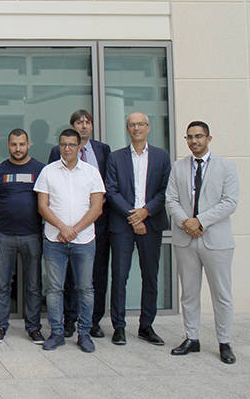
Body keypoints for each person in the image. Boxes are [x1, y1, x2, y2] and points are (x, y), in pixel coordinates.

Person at [166, 121, 239, 364]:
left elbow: (230, 202)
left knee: (222, 294)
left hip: (215, 240)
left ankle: (225, 342)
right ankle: (192, 338)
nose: (194, 141)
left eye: (198, 136)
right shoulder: (178, 167)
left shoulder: (226, 167)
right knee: (189, 292)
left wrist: (200, 221)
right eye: (189, 137)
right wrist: (187, 222)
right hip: (185, 238)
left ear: (209, 138)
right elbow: (171, 199)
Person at [35, 129, 105, 353]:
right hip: (54, 239)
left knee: (85, 288)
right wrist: (63, 228)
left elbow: (97, 207)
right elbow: (42, 206)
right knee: (55, 289)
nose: (67, 149)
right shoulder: (48, 172)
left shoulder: (91, 172)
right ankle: (56, 333)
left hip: (84, 240)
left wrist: (74, 230)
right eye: (63, 144)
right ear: (59, 146)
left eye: (72, 145)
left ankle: (84, 333)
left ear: (78, 147)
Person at [105, 112, 171, 346]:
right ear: (127, 129)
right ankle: (119, 327)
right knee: (120, 276)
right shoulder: (116, 158)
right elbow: (111, 191)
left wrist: (145, 212)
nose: (136, 128)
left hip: (151, 223)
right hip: (122, 224)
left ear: (148, 127)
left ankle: (146, 326)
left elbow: (165, 191)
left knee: (150, 276)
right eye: (132, 125)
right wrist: (134, 217)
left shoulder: (162, 157)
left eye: (140, 124)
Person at [48, 109, 111, 338]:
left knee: (94, 277)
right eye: (79, 122)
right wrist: (65, 227)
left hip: (95, 224)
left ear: (92, 126)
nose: (83, 125)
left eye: (87, 122)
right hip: (62, 227)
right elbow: (50, 191)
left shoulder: (102, 150)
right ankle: (69, 319)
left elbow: (107, 186)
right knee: (67, 278)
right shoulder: (57, 153)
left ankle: (93, 321)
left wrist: (89, 219)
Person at [0, 128, 46, 345]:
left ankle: (34, 328)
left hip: (32, 235)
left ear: (28, 144)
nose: (18, 148)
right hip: (4, 236)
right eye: (14, 144)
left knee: (33, 285)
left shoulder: (40, 169)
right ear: (8, 145)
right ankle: (0, 327)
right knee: (2, 285)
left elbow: (47, 203)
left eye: (21, 144)